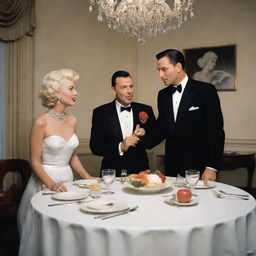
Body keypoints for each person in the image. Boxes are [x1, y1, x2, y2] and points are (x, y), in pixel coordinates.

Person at [17, 68, 94, 256]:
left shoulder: (72, 120)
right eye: (71, 88)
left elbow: (72, 155)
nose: (76, 92)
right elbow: (34, 160)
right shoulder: (41, 122)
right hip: (45, 182)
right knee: (46, 234)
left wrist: (86, 177)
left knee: (67, 229)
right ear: (56, 93)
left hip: (68, 181)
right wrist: (51, 184)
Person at [155, 49, 225, 183]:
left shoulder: (206, 91)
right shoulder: (162, 95)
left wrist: (211, 167)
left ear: (178, 67)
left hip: (199, 168)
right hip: (171, 168)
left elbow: (215, 131)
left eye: (164, 69)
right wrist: (139, 139)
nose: (160, 75)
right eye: (158, 70)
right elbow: (163, 128)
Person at [90, 70, 157, 176]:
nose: (129, 91)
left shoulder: (145, 109)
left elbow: (153, 140)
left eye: (131, 86)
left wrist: (144, 134)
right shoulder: (101, 113)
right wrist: (120, 146)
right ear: (113, 90)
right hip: (112, 172)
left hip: (140, 171)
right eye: (124, 87)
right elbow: (95, 147)